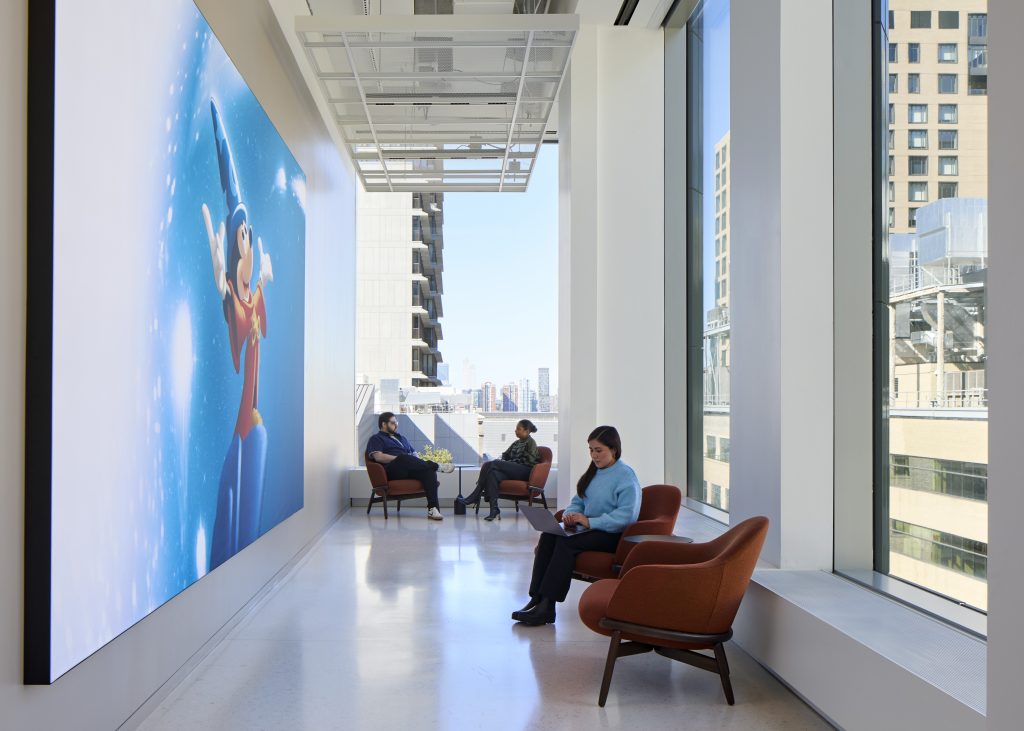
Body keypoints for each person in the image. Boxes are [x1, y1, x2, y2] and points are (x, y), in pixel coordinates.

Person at [511, 425, 641, 626]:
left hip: (611, 534)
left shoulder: (625, 476)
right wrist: (570, 515)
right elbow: (578, 501)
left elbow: (626, 516)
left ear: (614, 449)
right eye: (591, 450)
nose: (594, 455)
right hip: (589, 529)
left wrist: (590, 521)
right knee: (548, 535)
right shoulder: (593, 473)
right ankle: (537, 598)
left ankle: (547, 605)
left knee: (566, 543)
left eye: (599, 450)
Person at [366, 412, 454, 521]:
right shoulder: (376, 438)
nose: (396, 425)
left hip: (408, 467)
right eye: (393, 423)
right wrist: (398, 458)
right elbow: (378, 457)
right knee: (404, 457)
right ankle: (436, 466)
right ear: (384, 424)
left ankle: (432, 509)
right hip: (392, 471)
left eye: (396, 422)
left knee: (429, 471)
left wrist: (413, 461)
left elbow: (414, 455)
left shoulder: (401, 438)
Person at [461, 419, 540, 522]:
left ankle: (475, 495)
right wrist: (506, 459)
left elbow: (529, 461)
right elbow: (506, 455)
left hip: (524, 471)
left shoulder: (531, 443)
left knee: (494, 463)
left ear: (527, 431)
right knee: (493, 474)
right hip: (513, 470)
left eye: (518, 429)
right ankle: (494, 509)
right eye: (516, 428)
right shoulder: (516, 443)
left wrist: (509, 463)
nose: (515, 431)